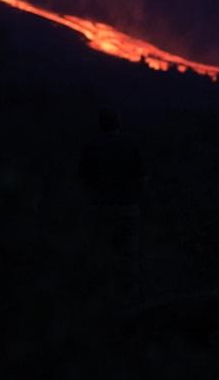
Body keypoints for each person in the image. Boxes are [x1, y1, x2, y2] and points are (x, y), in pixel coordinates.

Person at [78, 109, 147, 301]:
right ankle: (129, 299)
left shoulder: (91, 147)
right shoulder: (130, 145)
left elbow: (83, 178)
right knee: (129, 255)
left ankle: (102, 297)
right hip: (127, 206)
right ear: (118, 124)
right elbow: (142, 177)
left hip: (100, 207)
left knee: (101, 252)